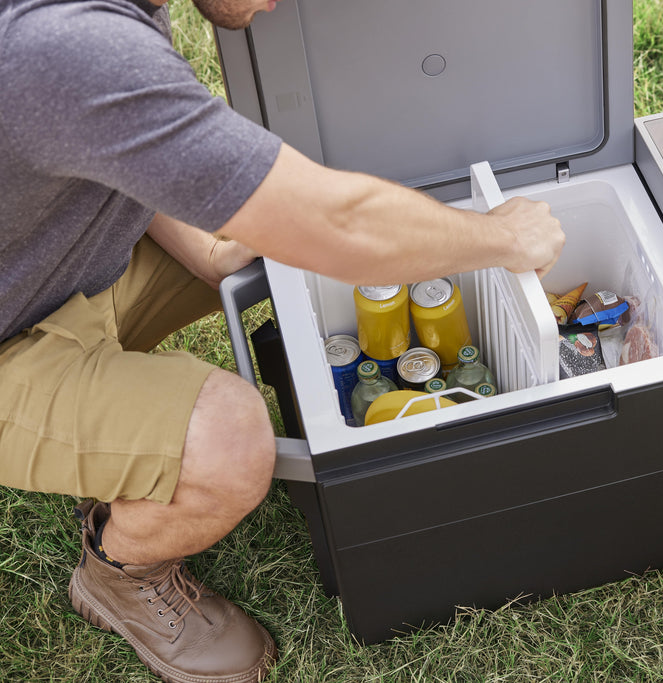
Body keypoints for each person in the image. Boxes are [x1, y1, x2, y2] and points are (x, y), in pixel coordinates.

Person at [0, 0, 565, 680]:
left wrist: (208, 252)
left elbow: (120, 143)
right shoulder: (65, 46)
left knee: (254, 239)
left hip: (42, 272)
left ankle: (104, 425)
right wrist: (503, 237)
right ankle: (118, 571)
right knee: (232, 442)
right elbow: (341, 224)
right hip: (13, 340)